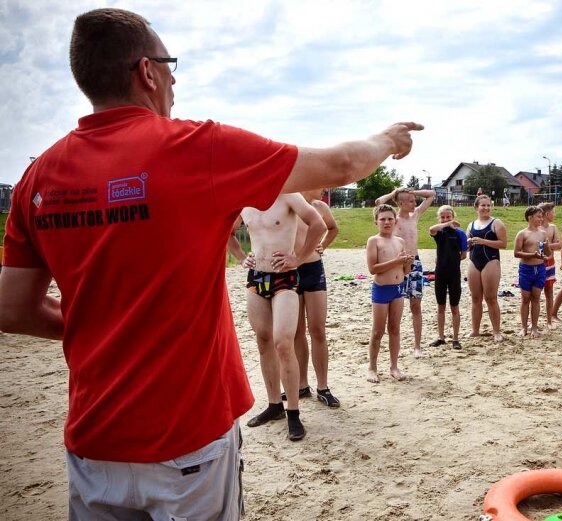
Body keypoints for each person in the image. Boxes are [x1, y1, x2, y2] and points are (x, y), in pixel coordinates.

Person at [0, 8, 422, 519]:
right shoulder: (196, 148)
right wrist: (389, 139)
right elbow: (339, 164)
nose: (175, 78)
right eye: (169, 63)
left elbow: (13, 309)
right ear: (147, 72)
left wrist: (103, 330)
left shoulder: (36, 179)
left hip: (93, 442)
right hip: (188, 437)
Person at [227, 194, 325, 441]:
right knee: (263, 341)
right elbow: (225, 230)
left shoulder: (289, 195)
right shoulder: (245, 200)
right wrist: (240, 257)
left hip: (286, 278)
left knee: (283, 342)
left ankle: (293, 412)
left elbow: (319, 225)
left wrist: (299, 258)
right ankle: (274, 405)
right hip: (256, 278)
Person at [292, 188, 340, 408]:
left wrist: (323, 245)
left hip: (313, 268)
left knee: (318, 330)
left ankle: (323, 386)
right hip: (290, 270)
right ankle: (302, 384)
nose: (324, 191)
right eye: (321, 187)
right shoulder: (290, 203)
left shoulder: (320, 207)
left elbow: (333, 228)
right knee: (296, 331)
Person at [374, 187, 435, 357]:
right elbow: (379, 202)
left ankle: (417, 346)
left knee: (416, 305)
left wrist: (413, 192)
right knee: (395, 307)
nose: (414, 202)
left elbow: (431, 195)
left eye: (413, 200)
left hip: (414, 262)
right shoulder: (393, 220)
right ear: (400, 203)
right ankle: (395, 346)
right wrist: (396, 192)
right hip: (397, 265)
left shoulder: (415, 215)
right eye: (410, 200)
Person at [366, 204, 413, 383]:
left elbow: (405, 270)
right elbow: (373, 269)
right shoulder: (374, 241)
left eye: (390, 219)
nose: (386, 222)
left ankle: (394, 366)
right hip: (381, 289)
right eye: (382, 219)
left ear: (395, 221)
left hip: (397, 289)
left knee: (394, 329)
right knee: (378, 331)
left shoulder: (399, 241)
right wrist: (397, 261)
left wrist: (407, 261)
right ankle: (372, 367)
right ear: (376, 221)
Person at [466, 194, 507, 342]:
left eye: (488, 205)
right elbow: (466, 246)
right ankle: (475, 330)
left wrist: (483, 241)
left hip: (491, 261)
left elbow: (503, 244)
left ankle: (496, 331)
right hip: (474, 261)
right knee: (475, 298)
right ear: (476, 207)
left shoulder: (496, 223)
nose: (486, 208)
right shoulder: (471, 225)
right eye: (483, 205)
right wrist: (469, 242)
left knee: (490, 298)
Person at [428, 205, 468, 350]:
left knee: (454, 307)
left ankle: (455, 338)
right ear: (440, 218)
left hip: (454, 273)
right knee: (440, 306)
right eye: (443, 217)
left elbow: (464, 254)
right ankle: (441, 336)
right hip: (440, 272)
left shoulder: (460, 234)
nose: (446, 219)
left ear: (453, 216)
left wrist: (452, 260)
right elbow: (431, 229)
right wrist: (446, 224)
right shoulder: (440, 232)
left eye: (448, 217)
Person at [513, 206, 551, 338]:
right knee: (525, 299)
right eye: (538, 216)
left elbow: (547, 253)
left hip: (540, 268)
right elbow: (516, 253)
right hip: (526, 269)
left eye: (542, 216)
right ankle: (524, 327)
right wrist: (532, 255)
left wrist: (546, 248)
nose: (541, 219)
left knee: (536, 298)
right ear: (530, 217)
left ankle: (534, 327)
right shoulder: (522, 234)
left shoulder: (543, 233)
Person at [537, 202, 562, 328]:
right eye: (553, 212)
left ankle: (549, 320)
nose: (554, 214)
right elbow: (535, 247)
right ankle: (533, 321)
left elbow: (559, 244)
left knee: (549, 291)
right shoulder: (536, 228)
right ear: (547, 214)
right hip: (538, 262)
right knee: (534, 293)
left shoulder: (552, 228)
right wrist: (547, 246)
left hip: (550, 263)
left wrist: (546, 245)